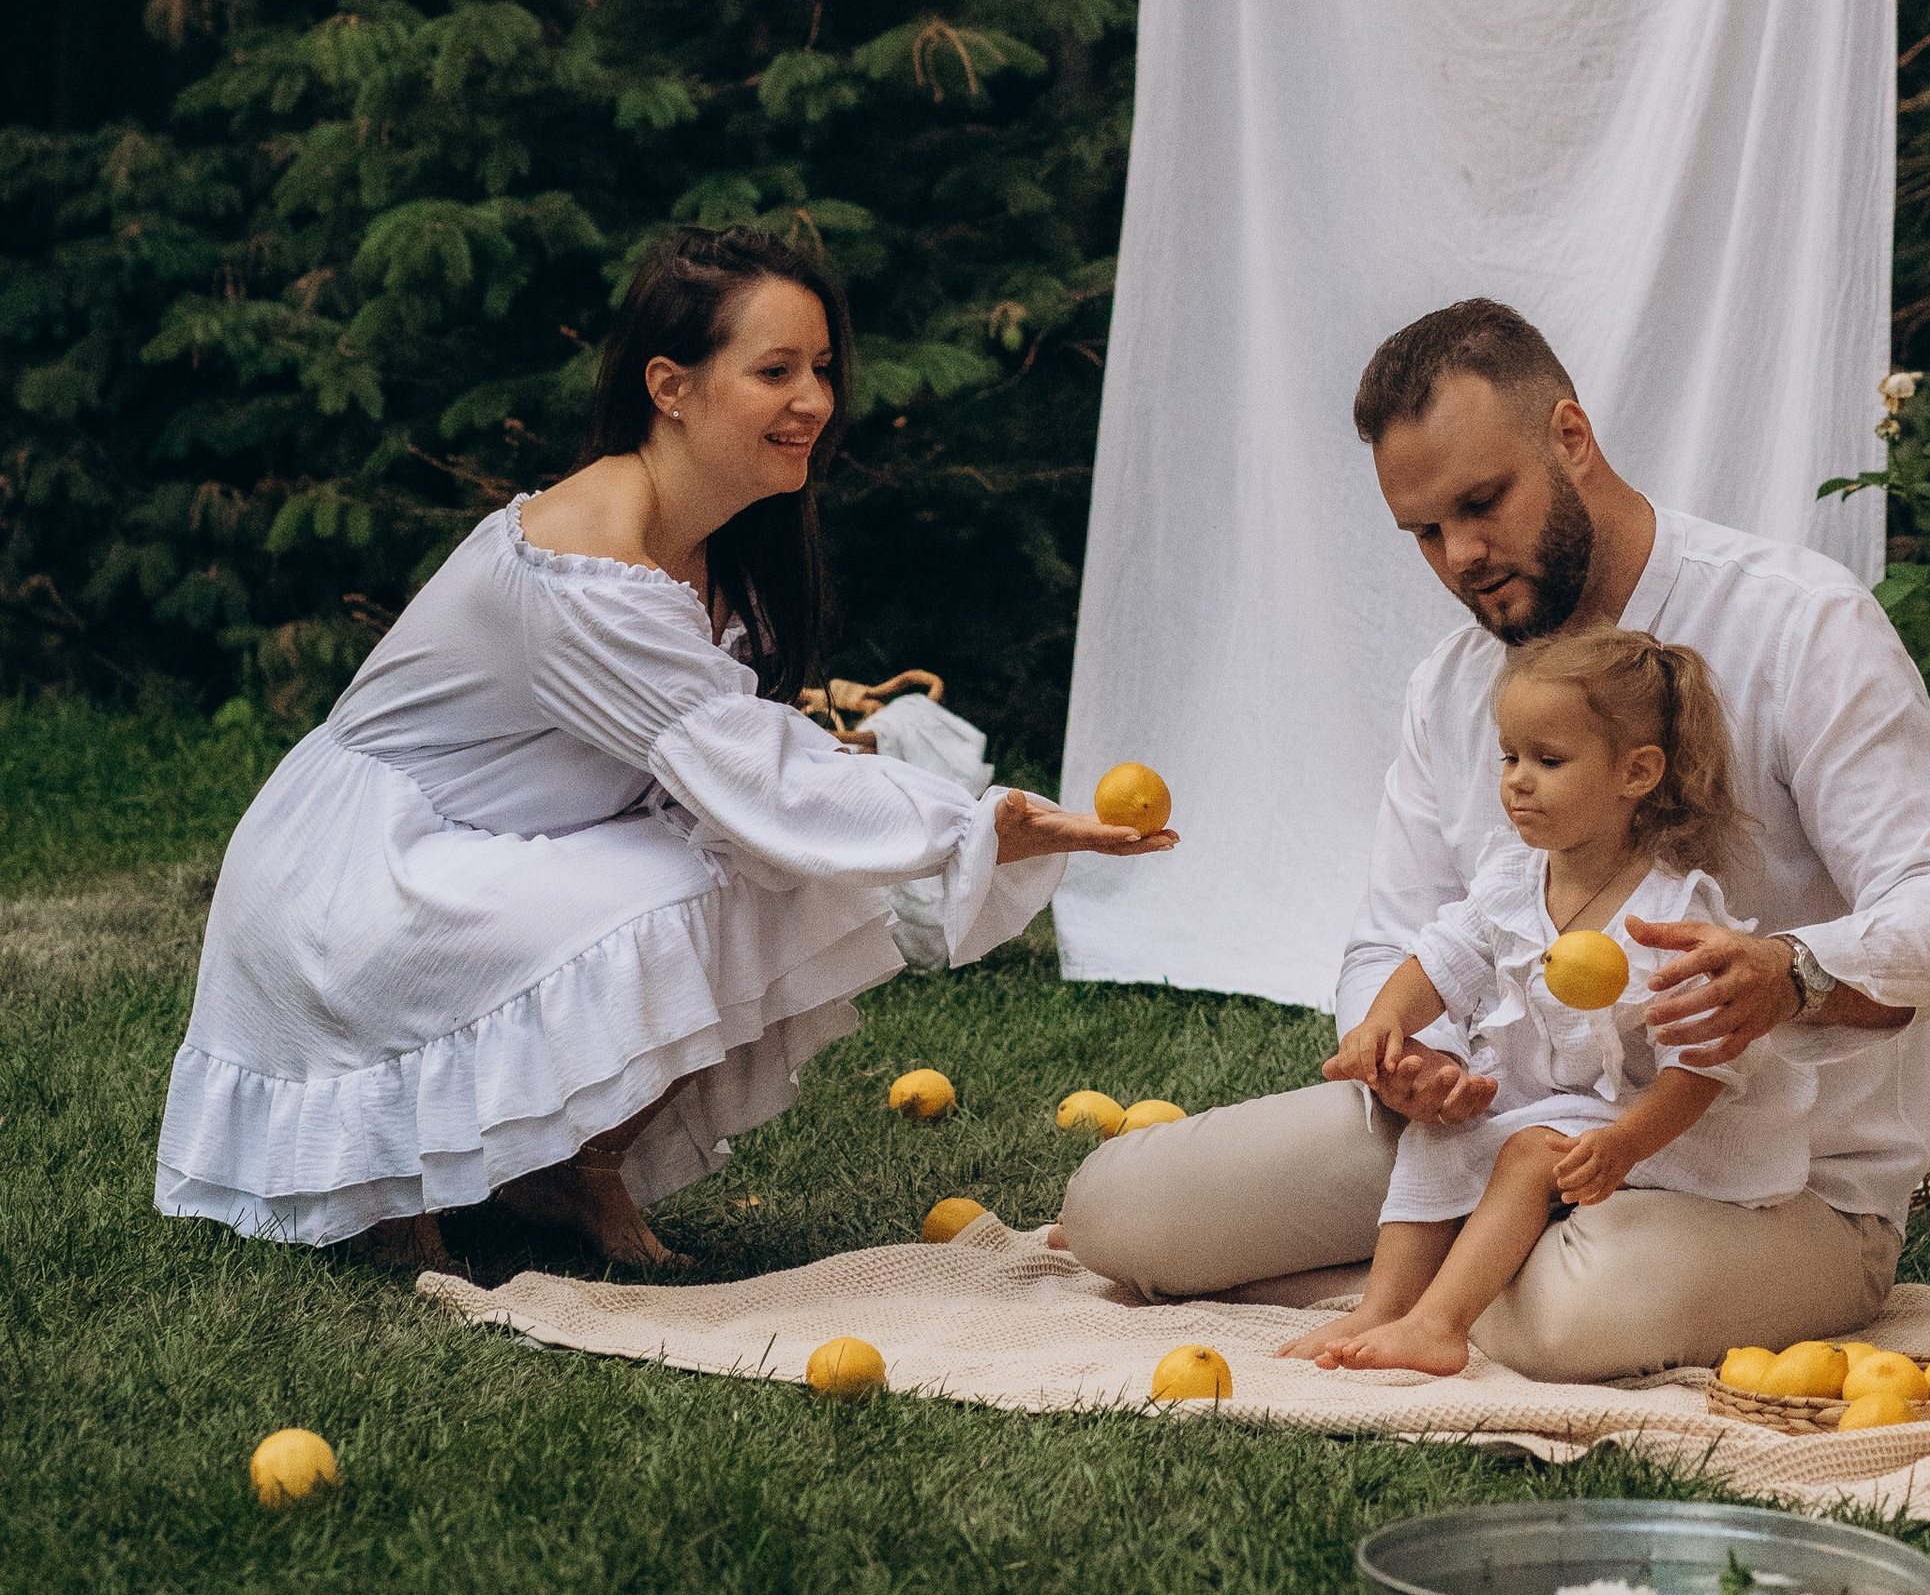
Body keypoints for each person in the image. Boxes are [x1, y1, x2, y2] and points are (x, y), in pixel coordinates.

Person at [156, 223, 1172, 1271]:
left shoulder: (716, 547)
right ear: (670, 386)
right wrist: (973, 824)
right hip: (359, 882)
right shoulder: (584, 567)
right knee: (743, 869)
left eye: (822, 368)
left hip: (497, 842)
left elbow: (748, 764)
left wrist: (966, 823)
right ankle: (384, 1180)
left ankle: (571, 1173)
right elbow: (748, 766)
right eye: (774, 370)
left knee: (762, 869)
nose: (814, 400)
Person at [1058, 297, 1930, 1377]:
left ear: (1570, 436)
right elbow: (1393, 942)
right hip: (1485, 1134)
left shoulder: (1799, 621)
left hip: (1772, 1182)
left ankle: (1398, 1293)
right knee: (1120, 1214)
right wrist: (1418, 1060)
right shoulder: (1454, 686)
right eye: (1423, 531)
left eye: (1481, 502)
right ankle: (1423, 1288)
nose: (1460, 554)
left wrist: (1793, 973)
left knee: (1576, 1318)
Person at [1280, 625, 1809, 1376]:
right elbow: (1440, 959)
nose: (1516, 781)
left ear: (1637, 773)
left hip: (1653, 1124)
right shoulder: (1513, 876)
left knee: (1531, 1156)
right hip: (1551, 1101)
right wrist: (1383, 1022)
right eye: (1510, 756)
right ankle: (1383, 1305)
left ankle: (1440, 1322)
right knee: (1439, 1134)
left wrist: (1623, 1146)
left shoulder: (1671, 914)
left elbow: (1699, 1070)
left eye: (1548, 761)